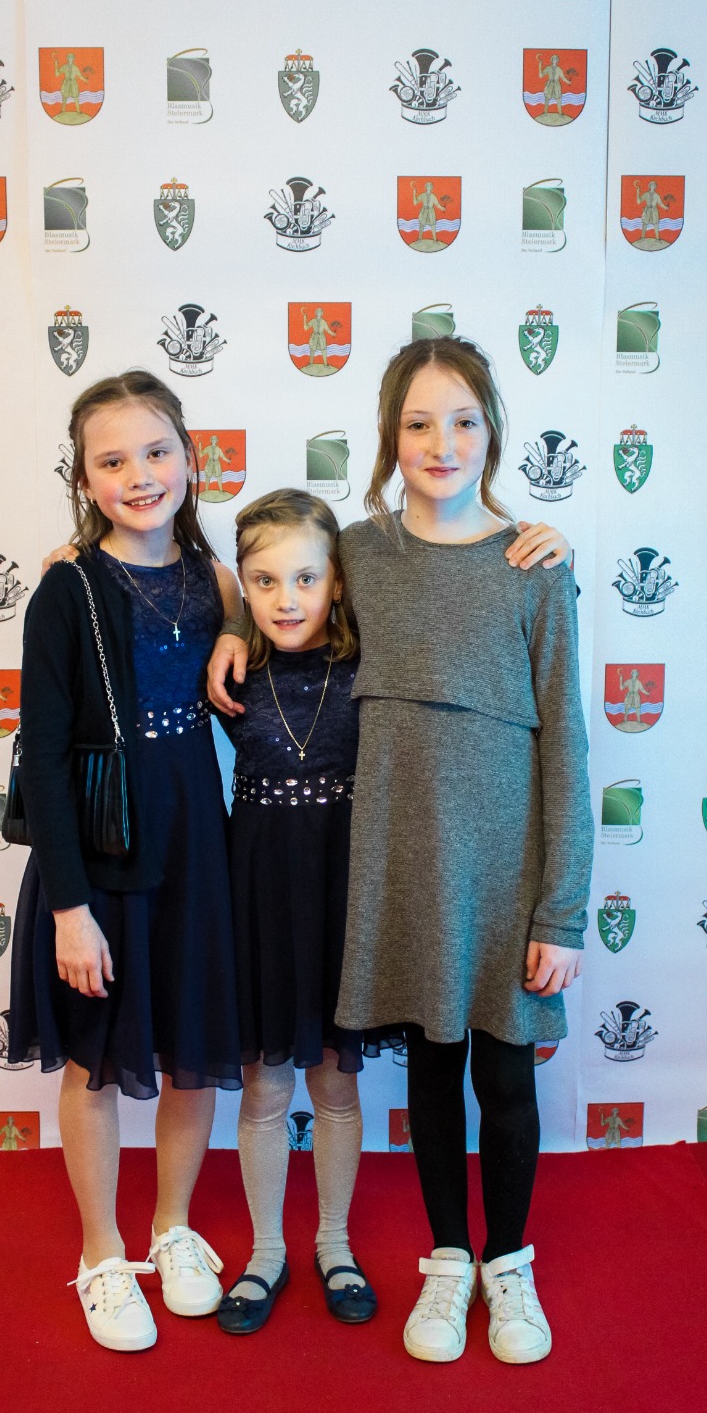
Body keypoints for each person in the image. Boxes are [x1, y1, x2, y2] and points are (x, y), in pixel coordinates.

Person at [209, 337, 588, 1366]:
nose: (441, 442)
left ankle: (509, 1263)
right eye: (418, 422)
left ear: (492, 431)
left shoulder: (533, 567)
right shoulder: (363, 556)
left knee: (505, 1082)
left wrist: (561, 911)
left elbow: (567, 743)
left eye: (463, 420)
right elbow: (281, 576)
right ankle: (448, 1258)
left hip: (507, 876)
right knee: (432, 1072)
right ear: (388, 436)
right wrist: (233, 623)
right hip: (404, 869)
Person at [8, 370, 245, 1354]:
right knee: (95, 1058)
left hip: (195, 848)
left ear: (189, 458)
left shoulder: (214, 577)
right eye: (113, 461)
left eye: (156, 452)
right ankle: (102, 1252)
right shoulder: (66, 588)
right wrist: (69, 908)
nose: (140, 475)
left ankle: (173, 1227)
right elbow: (43, 756)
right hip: (101, 861)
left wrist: (236, 626)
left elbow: (271, 616)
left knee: (192, 1048)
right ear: (84, 479)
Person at [213, 489, 402, 1336]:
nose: (286, 599)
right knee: (264, 1084)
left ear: (339, 581)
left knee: (334, 1078)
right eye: (264, 582)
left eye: (305, 579)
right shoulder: (229, 670)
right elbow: (170, 591)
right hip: (256, 897)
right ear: (243, 586)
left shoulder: (372, 663)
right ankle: (265, 1252)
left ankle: (334, 1242)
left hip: (339, 895)